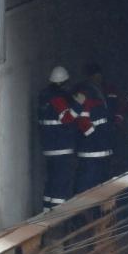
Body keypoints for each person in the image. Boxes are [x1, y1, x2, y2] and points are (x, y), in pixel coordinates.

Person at [37, 65, 78, 211]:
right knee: (61, 185)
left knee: (51, 183)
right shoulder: (58, 98)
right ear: (64, 82)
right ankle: (58, 217)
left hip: (49, 148)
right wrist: (78, 105)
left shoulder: (44, 96)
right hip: (62, 148)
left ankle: (46, 212)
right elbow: (67, 118)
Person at [73, 70, 113, 193]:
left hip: (101, 150)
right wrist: (93, 135)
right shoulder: (84, 93)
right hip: (90, 150)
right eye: (96, 76)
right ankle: (86, 211)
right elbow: (79, 117)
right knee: (87, 186)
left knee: (100, 185)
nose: (99, 79)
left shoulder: (99, 92)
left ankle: (96, 211)